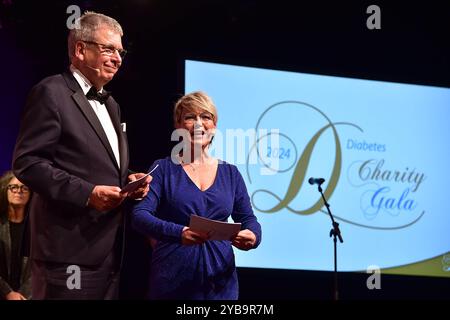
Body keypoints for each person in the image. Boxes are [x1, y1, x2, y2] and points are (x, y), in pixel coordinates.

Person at [12, 11, 150, 299]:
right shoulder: (51, 92)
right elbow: (28, 163)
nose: (118, 58)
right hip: (66, 253)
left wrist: (129, 180)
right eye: (108, 49)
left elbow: (96, 165)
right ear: (79, 49)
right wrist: (88, 193)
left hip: (109, 252)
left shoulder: (112, 104)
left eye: (120, 51)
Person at [131, 91, 262, 299]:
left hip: (221, 284)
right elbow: (140, 216)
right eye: (190, 117)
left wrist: (253, 236)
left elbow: (248, 219)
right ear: (179, 126)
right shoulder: (163, 168)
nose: (198, 124)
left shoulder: (231, 173)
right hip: (172, 282)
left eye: (206, 117)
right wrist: (179, 232)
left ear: (215, 125)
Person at [0, 171, 32, 300]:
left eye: (24, 188)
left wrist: (24, 294)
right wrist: (7, 292)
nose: (19, 191)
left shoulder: (37, 230)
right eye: (13, 187)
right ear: (4, 190)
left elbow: (40, 268)